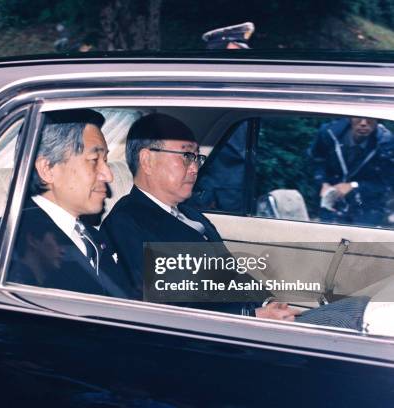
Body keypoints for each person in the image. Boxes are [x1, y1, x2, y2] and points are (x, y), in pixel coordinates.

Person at [102, 113, 377, 329]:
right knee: (362, 319)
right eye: (186, 156)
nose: (195, 168)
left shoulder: (190, 214)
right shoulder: (128, 222)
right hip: (227, 338)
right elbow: (167, 311)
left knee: (364, 309)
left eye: (196, 157)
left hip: (251, 323)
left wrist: (269, 302)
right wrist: (253, 315)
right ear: (147, 160)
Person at [0, 109, 133, 298]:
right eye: (94, 160)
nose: (108, 175)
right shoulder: (1, 246)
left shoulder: (93, 236)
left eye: (106, 161)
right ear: (47, 169)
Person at [191, 22, 255, 212]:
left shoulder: (236, 90)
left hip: (233, 188)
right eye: (236, 51)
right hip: (213, 193)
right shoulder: (207, 93)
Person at [309, 117, 394, 226]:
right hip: (331, 203)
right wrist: (323, 183)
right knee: (330, 239)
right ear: (350, 118)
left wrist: (353, 186)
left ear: (377, 120)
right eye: (358, 118)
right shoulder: (328, 133)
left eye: (370, 118)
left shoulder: (387, 143)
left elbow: (386, 184)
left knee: (358, 241)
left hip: (367, 207)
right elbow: (316, 160)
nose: (363, 123)